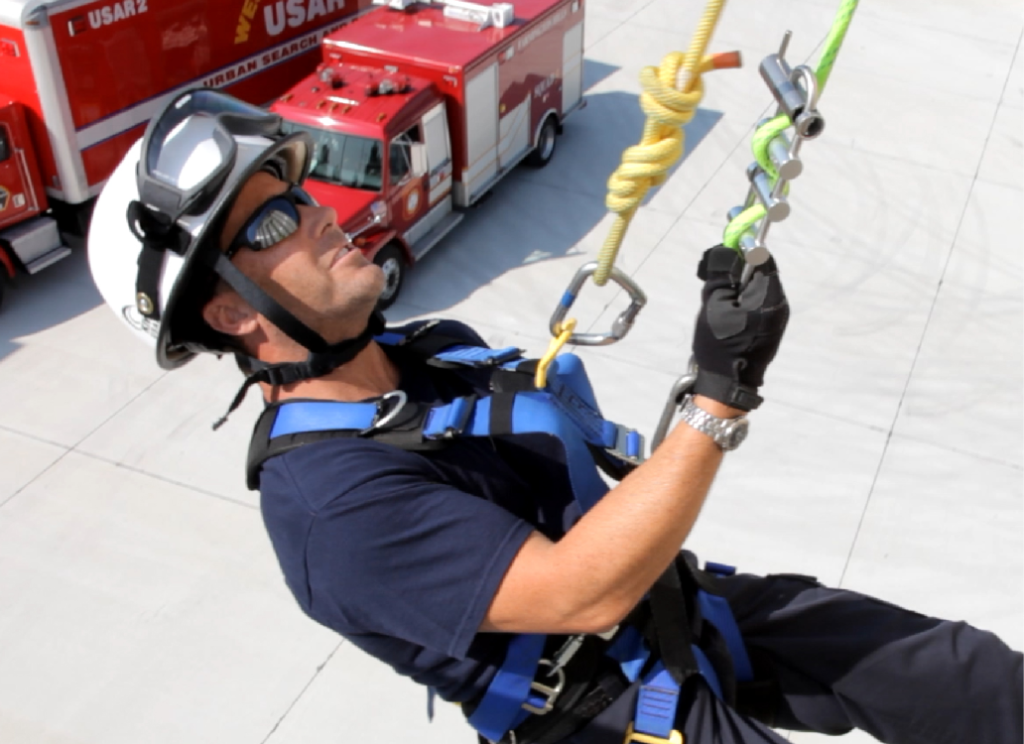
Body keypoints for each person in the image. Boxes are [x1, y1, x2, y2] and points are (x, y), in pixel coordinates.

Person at [90, 89, 1023, 744]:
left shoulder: (431, 350)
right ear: (229, 315)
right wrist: (720, 391)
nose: (318, 218)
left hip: (677, 610)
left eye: (295, 197)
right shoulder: (330, 508)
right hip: (606, 710)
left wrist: (706, 355)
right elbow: (581, 591)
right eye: (268, 228)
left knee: (962, 676)